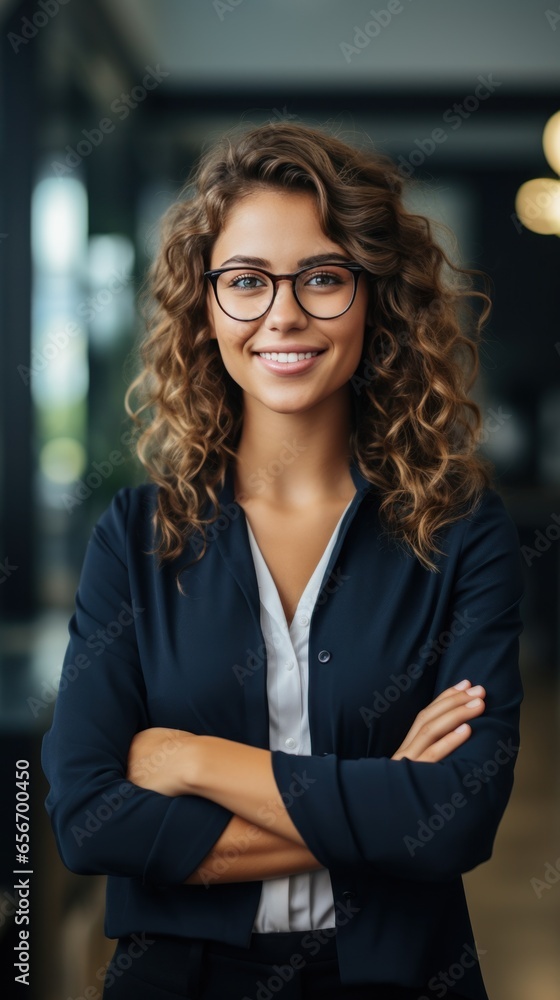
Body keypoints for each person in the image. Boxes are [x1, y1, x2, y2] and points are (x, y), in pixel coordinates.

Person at [41, 121, 525, 1000]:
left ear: (374, 298)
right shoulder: (139, 532)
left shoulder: (461, 531)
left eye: (323, 278)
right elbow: (86, 822)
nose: (284, 313)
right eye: (247, 282)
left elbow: (456, 825)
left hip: (405, 980)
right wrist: (385, 805)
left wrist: (190, 760)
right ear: (207, 306)